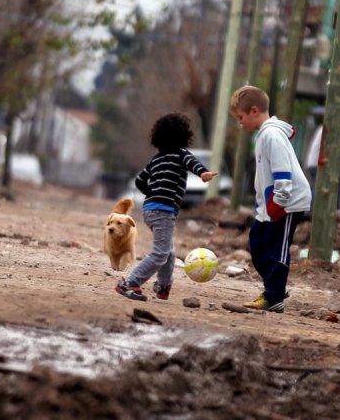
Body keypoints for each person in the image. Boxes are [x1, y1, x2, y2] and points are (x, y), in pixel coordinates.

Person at [115, 113, 217, 301]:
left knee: (168, 251)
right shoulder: (181, 154)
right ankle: (130, 282)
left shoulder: (156, 159)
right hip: (163, 211)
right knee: (161, 252)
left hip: (150, 209)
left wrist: (153, 192)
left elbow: (139, 180)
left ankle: (163, 286)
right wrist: (203, 173)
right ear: (184, 135)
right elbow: (192, 164)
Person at [230, 86, 312, 313]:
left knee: (278, 248)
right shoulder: (264, 134)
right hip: (271, 204)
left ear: (254, 110)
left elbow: (282, 168)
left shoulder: (272, 135)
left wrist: (281, 199)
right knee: (257, 242)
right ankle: (275, 285)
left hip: (287, 201)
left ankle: (274, 295)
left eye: (241, 117)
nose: (240, 122)